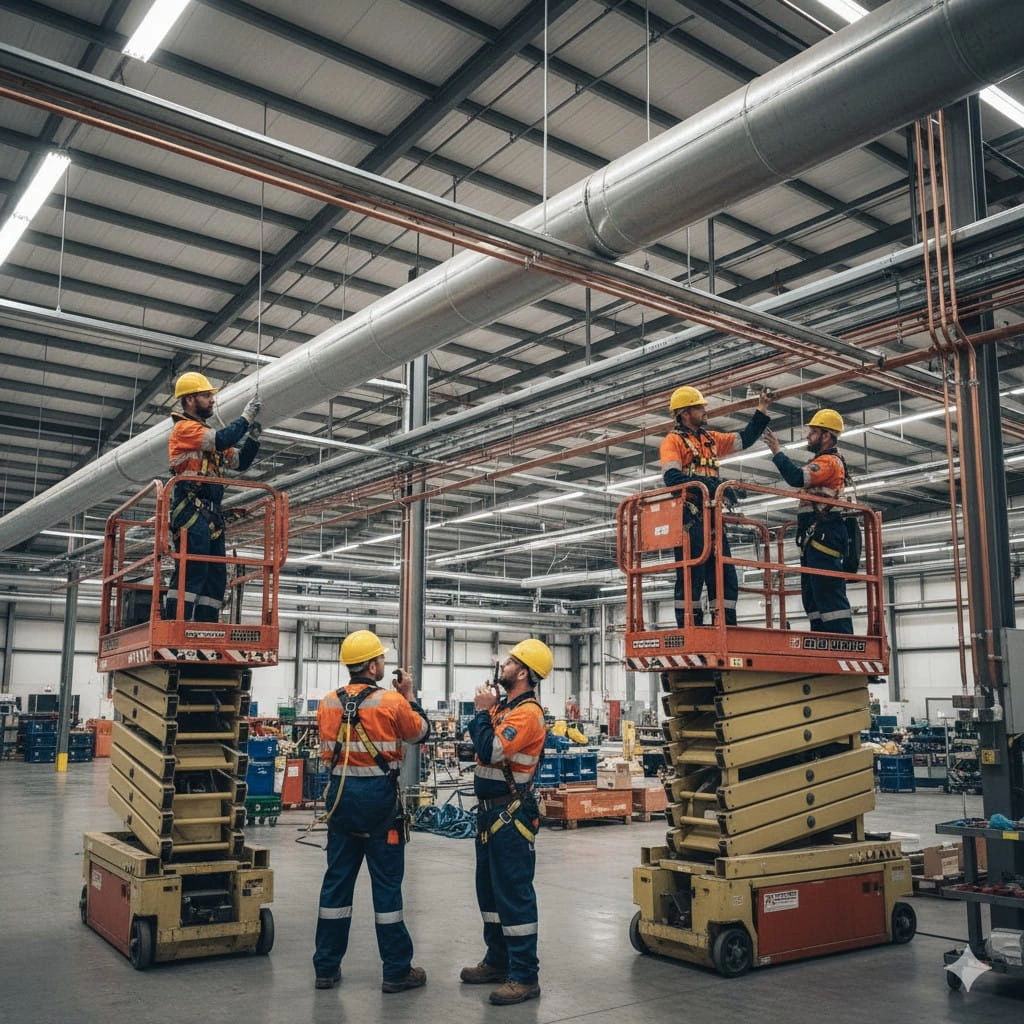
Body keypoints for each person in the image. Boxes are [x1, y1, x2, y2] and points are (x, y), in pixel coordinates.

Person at [313, 629, 430, 993]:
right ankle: (396, 970)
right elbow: (419, 733)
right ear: (370, 664)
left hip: (341, 799)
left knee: (336, 884)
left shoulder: (328, 703)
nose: (383, 663)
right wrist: (410, 698)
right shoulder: (392, 702)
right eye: (380, 658)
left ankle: (326, 968)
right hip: (379, 802)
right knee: (387, 886)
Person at [461, 639, 551, 1006]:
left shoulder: (527, 713)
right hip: (489, 814)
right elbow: (478, 745)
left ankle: (524, 975)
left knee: (513, 895)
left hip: (510, 816)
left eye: (512, 661)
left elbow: (492, 749)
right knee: (490, 895)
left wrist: (482, 713)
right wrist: (485, 714)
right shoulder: (503, 708)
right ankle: (498, 960)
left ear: (525, 673)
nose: (504, 664)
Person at [659, 385, 771, 627]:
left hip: (713, 517)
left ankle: (726, 625)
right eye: (700, 407)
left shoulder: (710, 440)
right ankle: (691, 627)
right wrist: (712, 484)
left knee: (724, 574)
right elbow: (672, 479)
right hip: (690, 518)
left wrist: (761, 410)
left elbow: (744, 440)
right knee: (692, 576)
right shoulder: (673, 441)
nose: (705, 410)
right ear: (685, 413)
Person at [164, 372, 262, 621]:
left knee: (215, 576)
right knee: (193, 569)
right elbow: (221, 440)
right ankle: (176, 625)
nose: (212, 401)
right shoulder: (184, 429)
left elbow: (239, 462)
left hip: (211, 515)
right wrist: (245, 418)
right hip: (189, 511)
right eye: (207, 396)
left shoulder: (205, 435)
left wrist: (253, 438)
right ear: (189, 400)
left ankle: (205, 627)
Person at [763, 409, 854, 634]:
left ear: (826, 435)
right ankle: (822, 641)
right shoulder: (824, 461)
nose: (808, 436)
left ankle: (843, 644)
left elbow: (796, 478)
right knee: (813, 597)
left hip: (825, 534)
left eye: (813, 432)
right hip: (815, 536)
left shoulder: (829, 462)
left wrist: (777, 451)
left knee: (828, 594)